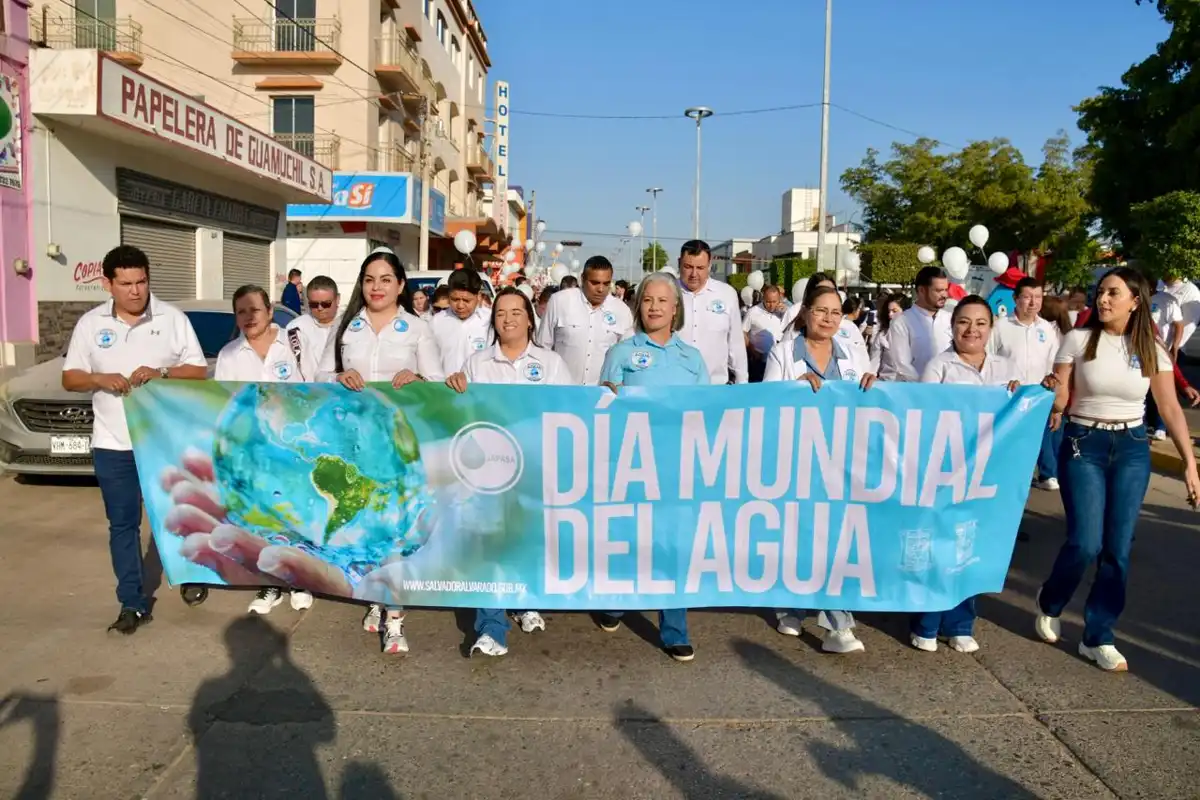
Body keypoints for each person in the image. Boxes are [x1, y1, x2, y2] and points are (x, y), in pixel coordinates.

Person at [1036, 268, 1199, 672]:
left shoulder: (1150, 348)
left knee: (1118, 548)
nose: (1103, 299)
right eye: (1101, 292)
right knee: (1085, 542)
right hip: (1082, 444)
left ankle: (1098, 636)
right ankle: (1051, 600)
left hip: (1131, 450)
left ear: (1135, 300)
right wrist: (1052, 391)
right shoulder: (1077, 339)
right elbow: (1061, 398)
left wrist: (1190, 467)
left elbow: (1170, 409)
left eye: (1113, 293)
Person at [61, 245, 208, 634]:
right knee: (123, 525)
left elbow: (198, 370)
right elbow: (70, 377)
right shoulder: (90, 325)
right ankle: (132, 601)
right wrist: (98, 378)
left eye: (141, 281)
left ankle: (190, 576)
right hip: (113, 445)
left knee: (177, 514)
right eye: (125, 283)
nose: (135, 291)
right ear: (107, 284)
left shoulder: (172, 319)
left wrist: (162, 371)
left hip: (163, 441)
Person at [317, 251, 443, 655]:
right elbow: (317, 376)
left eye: (386, 279)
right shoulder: (346, 326)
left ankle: (395, 618)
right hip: (353, 444)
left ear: (401, 285)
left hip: (397, 447)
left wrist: (419, 378)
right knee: (366, 525)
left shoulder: (417, 329)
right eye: (370, 279)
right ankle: (375, 595)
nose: (377, 287)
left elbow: (438, 383)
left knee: (394, 528)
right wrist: (338, 376)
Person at [445, 287, 571, 656]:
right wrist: (455, 389)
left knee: (527, 540)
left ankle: (524, 600)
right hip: (490, 472)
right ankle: (491, 628)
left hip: (535, 469)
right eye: (500, 313)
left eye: (516, 312)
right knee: (492, 544)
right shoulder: (477, 363)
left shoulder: (550, 364)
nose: (508, 319)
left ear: (530, 318)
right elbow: (461, 414)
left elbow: (567, 411)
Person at [595, 272, 710, 662]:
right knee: (630, 540)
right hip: (631, 465)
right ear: (638, 306)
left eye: (663, 301)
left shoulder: (692, 358)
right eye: (648, 300)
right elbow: (600, 409)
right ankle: (614, 604)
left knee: (671, 546)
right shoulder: (622, 353)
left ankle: (674, 628)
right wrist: (607, 397)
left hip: (676, 467)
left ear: (675, 308)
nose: (655, 307)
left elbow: (708, 414)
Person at [763, 285, 876, 654]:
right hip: (795, 457)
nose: (828, 318)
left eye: (835, 312)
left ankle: (837, 625)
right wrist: (791, 389)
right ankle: (790, 606)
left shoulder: (851, 357)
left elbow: (866, 403)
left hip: (840, 459)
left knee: (837, 537)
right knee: (797, 534)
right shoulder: (782, 353)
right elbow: (764, 404)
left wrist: (872, 386)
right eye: (820, 310)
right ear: (805, 312)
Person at [914, 295, 1022, 654]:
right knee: (939, 543)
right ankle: (927, 622)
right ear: (953, 326)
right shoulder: (939, 366)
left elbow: (1020, 413)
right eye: (963, 322)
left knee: (972, 546)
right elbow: (924, 416)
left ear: (990, 329)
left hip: (986, 472)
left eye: (980, 323)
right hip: (943, 469)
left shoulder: (1005, 368)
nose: (971, 329)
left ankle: (960, 623)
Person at [214, 285, 315, 614]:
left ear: (269, 312)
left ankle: (299, 579)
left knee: (295, 513)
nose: (248, 318)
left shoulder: (294, 345)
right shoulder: (230, 354)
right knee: (262, 518)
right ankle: (270, 583)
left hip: (292, 447)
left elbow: (316, 389)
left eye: (254, 310)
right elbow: (224, 402)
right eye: (241, 311)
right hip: (252, 450)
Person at [990, 278, 1062, 491]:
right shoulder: (1001, 327)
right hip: (1009, 396)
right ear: (1015, 299)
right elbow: (989, 360)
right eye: (1027, 297)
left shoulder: (1047, 329)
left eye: (1038, 297)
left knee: (1042, 436)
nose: (1033, 303)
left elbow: (1053, 366)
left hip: (1039, 394)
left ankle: (1047, 473)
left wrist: (1055, 403)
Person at [535, 255, 634, 385]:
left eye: (606, 284)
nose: (600, 289)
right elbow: (543, 348)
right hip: (562, 392)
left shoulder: (622, 311)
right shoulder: (559, 301)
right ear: (582, 279)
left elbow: (626, 357)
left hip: (602, 395)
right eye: (595, 283)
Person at [676, 240, 748, 385]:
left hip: (715, 388)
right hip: (676, 388)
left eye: (700, 268)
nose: (694, 274)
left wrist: (742, 385)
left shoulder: (726, 294)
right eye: (688, 267)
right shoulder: (668, 292)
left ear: (709, 265)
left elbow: (736, 344)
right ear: (679, 263)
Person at [883, 266, 953, 381]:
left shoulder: (951, 319)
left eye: (946, 290)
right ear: (922, 291)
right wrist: (925, 385)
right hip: (915, 391)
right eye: (939, 290)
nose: (944, 295)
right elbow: (902, 364)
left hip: (947, 391)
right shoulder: (902, 322)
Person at [431, 269, 492, 377]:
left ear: (478, 296)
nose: (460, 306)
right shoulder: (436, 322)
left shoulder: (489, 321)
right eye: (455, 299)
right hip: (445, 389)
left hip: (478, 389)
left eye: (466, 300)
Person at [285, 275, 340, 382]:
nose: (320, 308)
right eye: (314, 304)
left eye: (326, 304)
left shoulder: (349, 324)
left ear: (337, 299)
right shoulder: (295, 328)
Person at [742, 284, 786, 382]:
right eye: (768, 302)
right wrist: (752, 349)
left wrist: (786, 313)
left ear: (780, 299)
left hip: (778, 359)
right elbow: (742, 332)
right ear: (763, 299)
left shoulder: (783, 312)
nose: (771, 305)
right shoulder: (753, 312)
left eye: (774, 301)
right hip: (758, 360)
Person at [868, 293, 909, 375]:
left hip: (910, 384)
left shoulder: (916, 334)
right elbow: (874, 363)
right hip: (887, 382)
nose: (890, 315)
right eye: (888, 311)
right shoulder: (882, 335)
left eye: (894, 311)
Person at [1160, 271, 1200, 353]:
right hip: (1150, 346)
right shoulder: (1159, 284)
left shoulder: (1191, 291)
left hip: (1170, 350)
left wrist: (1174, 348)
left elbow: (1189, 326)